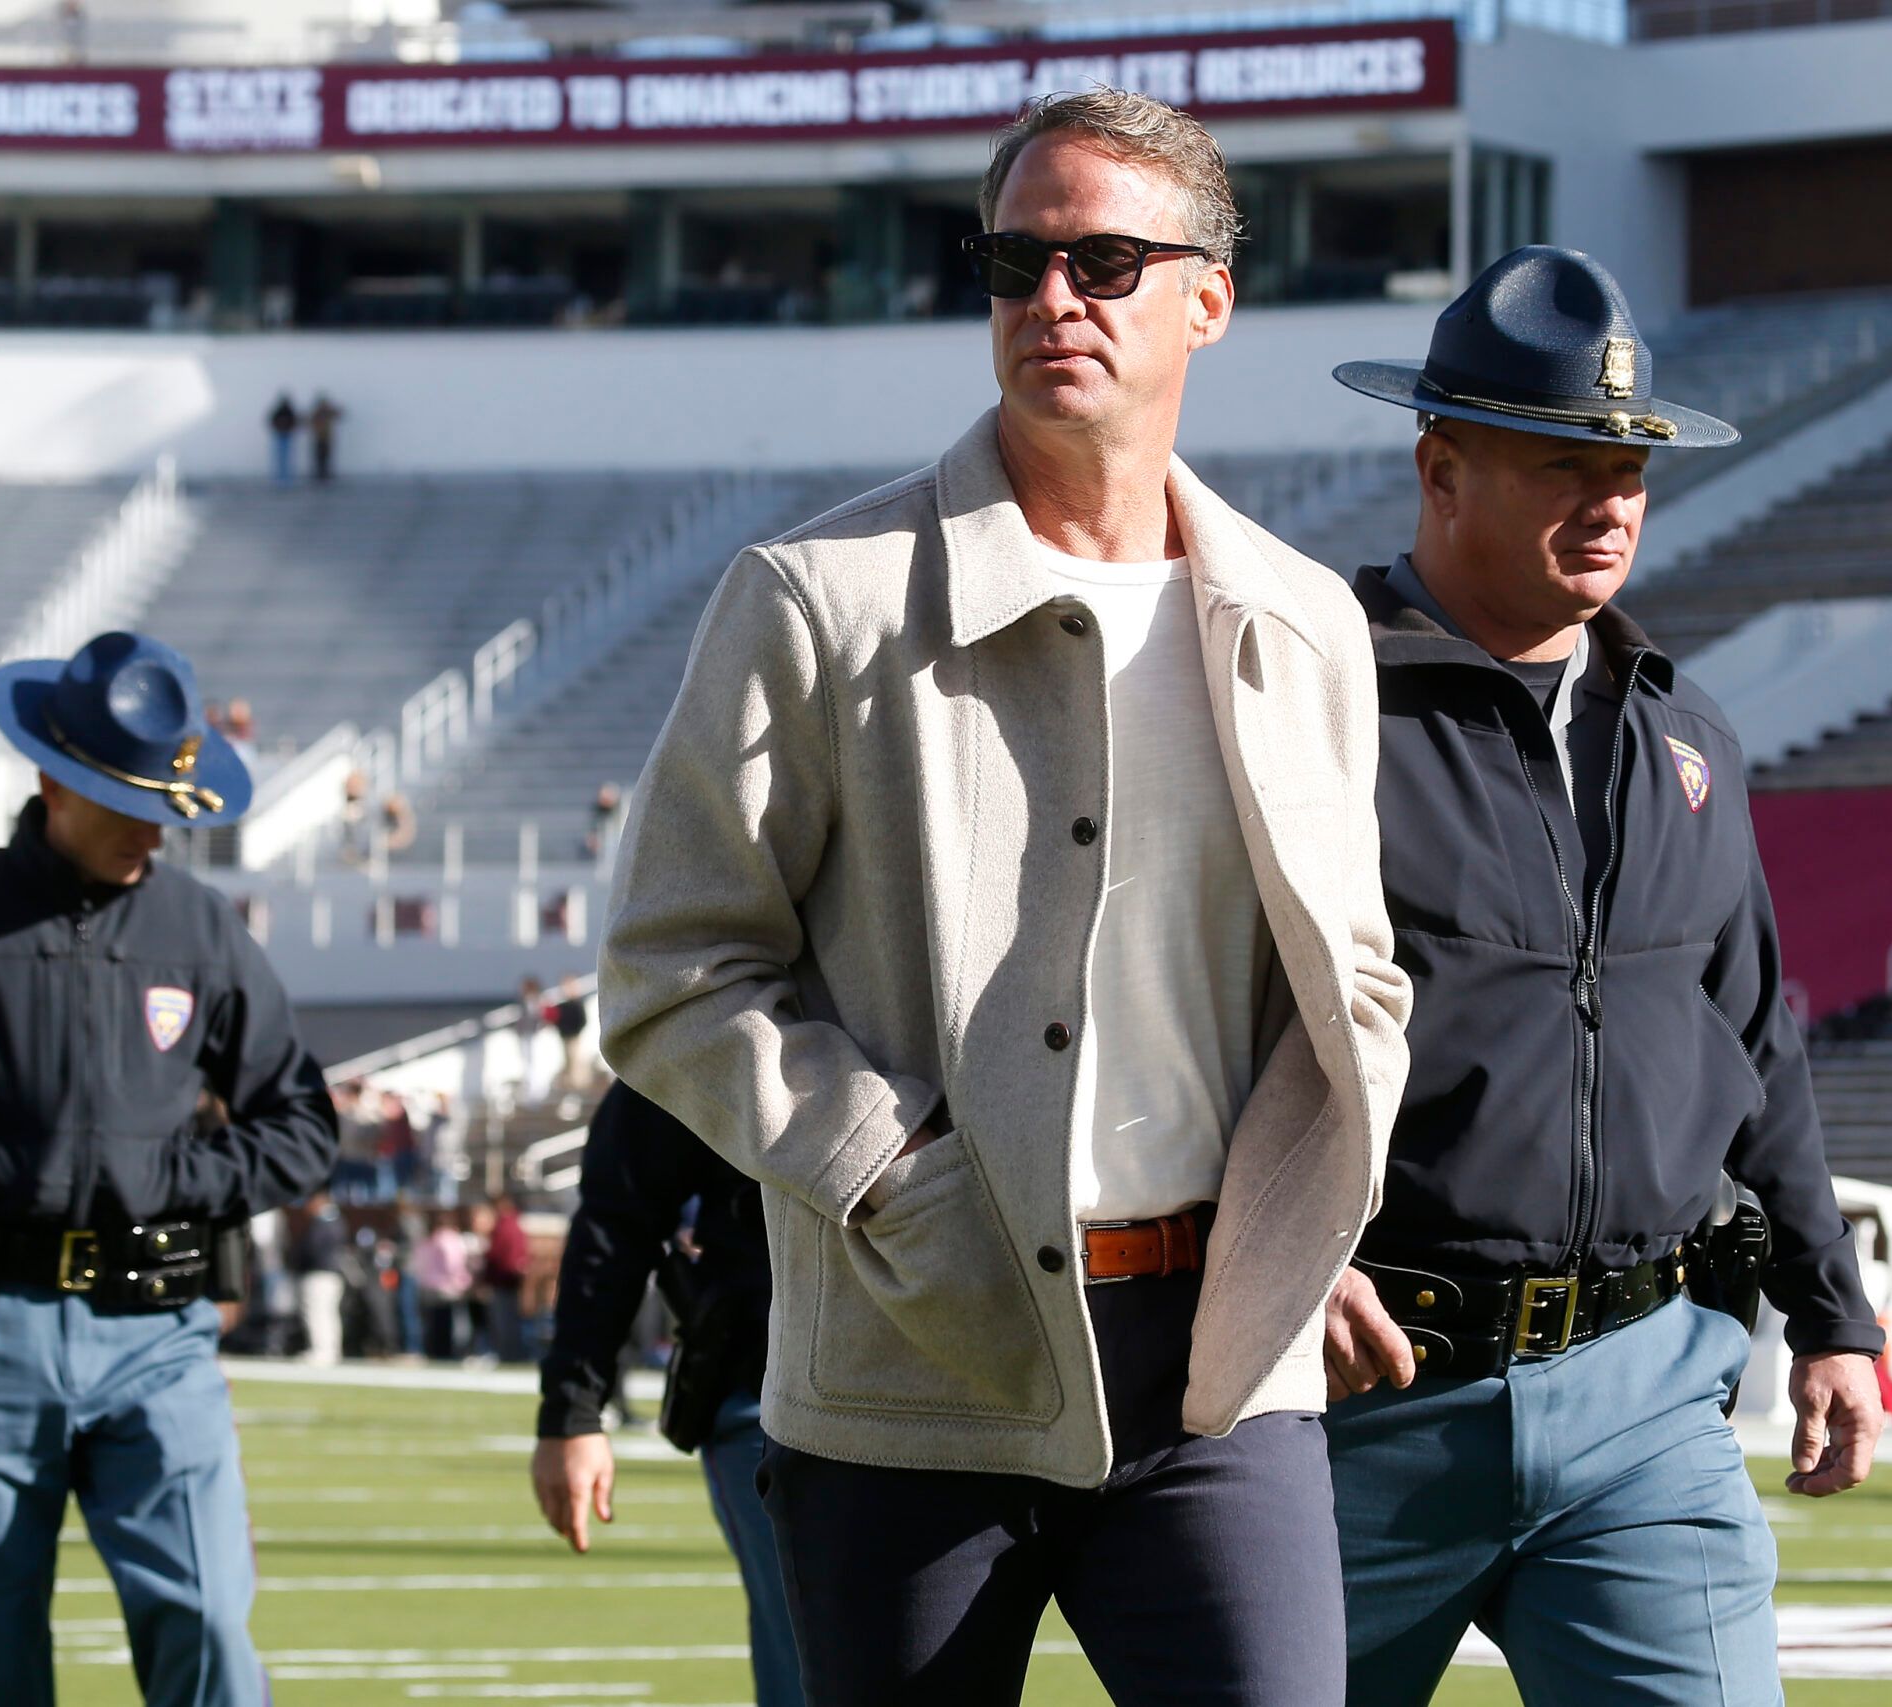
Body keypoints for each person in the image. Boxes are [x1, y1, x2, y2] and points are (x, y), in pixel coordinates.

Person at [597, 89, 1408, 1706]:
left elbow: (1346, 983)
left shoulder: (1307, 622)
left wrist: (1305, 1216)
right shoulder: (815, 602)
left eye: (1106, 260)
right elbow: (673, 971)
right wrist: (894, 1175)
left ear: (1209, 298)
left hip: (1217, 1370)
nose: (1055, 299)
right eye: (1016, 260)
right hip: (910, 1357)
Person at [1320, 245, 1885, 1706]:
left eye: (1631, 456)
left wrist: (1834, 1309)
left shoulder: (1684, 728)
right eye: (1565, 456)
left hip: (1646, 1395)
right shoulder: (1299, 694)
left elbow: (1756, 1031)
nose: (1615, 493)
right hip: (1347, 1406)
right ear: (1441, 467)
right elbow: (1177, 1021)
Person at [0, 628, 337, 1707]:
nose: (154, 830)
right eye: (125, 799)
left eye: (163, 804)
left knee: (211, 1629)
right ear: (51, 780)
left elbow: (302, 1124)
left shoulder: (203, 928)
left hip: (161, 1336)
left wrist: (176, 1178)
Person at [533, 1081, 798, 1706]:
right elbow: (620, 1211)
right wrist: (572, 1410)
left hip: (996, 1382)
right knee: (825, 1676)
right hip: (772, 1392)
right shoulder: (721, 992)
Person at [411, 1207, 474, 1360]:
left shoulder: (429, 1240)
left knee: (434, 1323)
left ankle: (435, 1352)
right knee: (450, 1324)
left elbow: (419, 1265)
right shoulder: (448, 1239)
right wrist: (463, 1281)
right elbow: (453, 1264)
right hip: (447, 1287)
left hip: (430, 1286)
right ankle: (448, 1353)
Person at [293, 1189, 348, 1364]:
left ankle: (322, 1351)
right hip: (329, 1273)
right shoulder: (335, 1221)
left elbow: (312, 1248)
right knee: (327, 1313)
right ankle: (329, 1350)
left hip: (321, 1273)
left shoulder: (325, 1223)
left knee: (318, 1313)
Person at [482, 1188, 532, 1364]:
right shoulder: (513, 1225)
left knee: (506, 1322)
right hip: (508, 1280)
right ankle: (511, 1354)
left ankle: (510, 1355)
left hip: (504, 1280)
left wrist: (487, 1278)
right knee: (507, 1321)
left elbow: (501, 1256)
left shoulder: (506, 1227)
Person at [307, 392, 343, 483]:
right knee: (319, 457)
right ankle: (320, 473)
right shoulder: (317, 413)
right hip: (319, 438)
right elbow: (310, 422)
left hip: (326, 438)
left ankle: (325, 473)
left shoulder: (327, 412)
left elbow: (338, 414)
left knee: (326, 457)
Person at [266, 393, 300, 486]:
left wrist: (287, 428)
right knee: (281, 458)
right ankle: (280, 478)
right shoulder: (282, 411)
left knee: (285, 458)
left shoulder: (287, 411)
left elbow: (294, 422)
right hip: (281, 436)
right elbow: (272, 421)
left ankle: (285, 478)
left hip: (286, 436)